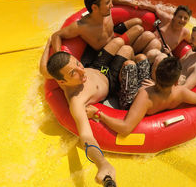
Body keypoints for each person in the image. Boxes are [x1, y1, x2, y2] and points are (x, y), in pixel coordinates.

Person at [40, 36, 134, 185]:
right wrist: (102, 163)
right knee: (129, 55)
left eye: (77, 63)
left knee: (124, 46)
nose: (81, 71)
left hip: (97, 66)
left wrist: (47, 46)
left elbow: (43, 70)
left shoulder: (75, 72)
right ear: (62, 82)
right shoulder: (77, 101)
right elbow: (86, 138)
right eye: (73, 73)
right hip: (112, 80)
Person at [86, 56, 196, 137]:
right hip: (153, 88)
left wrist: (99, 114)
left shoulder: (145, 97)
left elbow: (125, 128)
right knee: (141, 58)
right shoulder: (181, 92)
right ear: (176, 82)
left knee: (129, 64)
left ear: (156, 74)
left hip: (130, 102)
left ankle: (116, 85)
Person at [50, 0, 144, 54]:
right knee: (139, 29)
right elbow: (56, 35)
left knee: (138, 21)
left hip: (114, 36)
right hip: (106, 52)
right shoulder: (81, 26)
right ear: (95, 7)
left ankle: (134, 48)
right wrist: (58, 55)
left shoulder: (107, 11)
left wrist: (129, 3)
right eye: (107, 3)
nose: (111, 5)